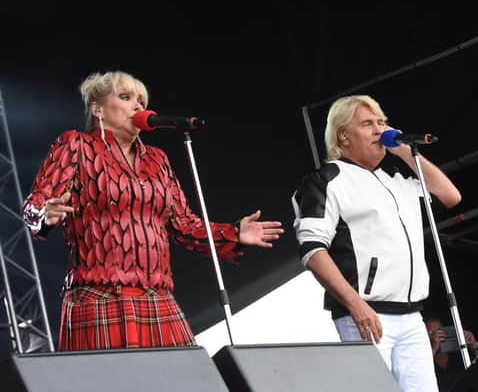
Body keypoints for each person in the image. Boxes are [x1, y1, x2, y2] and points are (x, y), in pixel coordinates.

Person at [22, 71, 284, 351]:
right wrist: (43, 214)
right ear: (97, 109)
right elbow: (35, 202)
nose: (137, 106)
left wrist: (233, 233)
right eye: (125, 97)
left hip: (157, 297)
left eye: (141, 100)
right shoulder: (77, 145)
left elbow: (185, 225)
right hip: (98, 296)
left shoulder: (158, 160)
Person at [292, 95, 462, 392]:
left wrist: (406, 151)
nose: (378, 130)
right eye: (367, 123)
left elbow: (450, 196)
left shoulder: (396, 178)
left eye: (382, 122)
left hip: (411, 316)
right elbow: (312, 250)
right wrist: (355, 304)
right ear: (343, 134)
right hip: (365, 315)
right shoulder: (327, 180)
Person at [425, 317, 478, 391]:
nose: (437, 336)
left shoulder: (459, 353)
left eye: (439, 331)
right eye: (431, 333)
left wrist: (473, 344)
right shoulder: (425, 362)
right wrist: (434, 348)